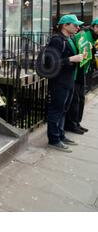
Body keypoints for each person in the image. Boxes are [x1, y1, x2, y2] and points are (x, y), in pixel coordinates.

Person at [45, 14, 87, 152]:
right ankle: (54, 139)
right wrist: (71, 59)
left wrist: (81, 57)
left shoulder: (69, 39)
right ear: (65, 25)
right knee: (56, 110)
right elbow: (50, 63)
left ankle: (61, 135)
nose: (78, 27)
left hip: (69, 80)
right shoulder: (57, 40)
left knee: (63, 110)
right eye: (75, 25)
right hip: (59, 82)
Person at [65, 17, 98, 134]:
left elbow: (91, 53)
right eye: (97, 27)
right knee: (75, 99)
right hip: (76, 71)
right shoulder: (84, 34)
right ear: (93, 27)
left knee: (81, 98)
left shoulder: (93, 37)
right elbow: (77, 49)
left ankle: (77, 123)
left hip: (83, 69)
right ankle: (71, 124)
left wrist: (92, 49)